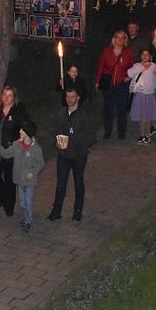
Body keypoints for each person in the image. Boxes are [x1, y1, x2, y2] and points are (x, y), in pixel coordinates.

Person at [48, 87, 96, 222]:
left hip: (78, 156)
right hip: (63, 155)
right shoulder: (61, 113)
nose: (69, 100)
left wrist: (77, 146)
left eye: (72, 97)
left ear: (78, 98)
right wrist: (57, 142)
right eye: (67, 97)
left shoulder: (84, 116)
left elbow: (91, 136)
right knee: (61, 183)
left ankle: (78, 210)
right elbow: (56, 131)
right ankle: (56, 210)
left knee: (78, 182)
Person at [0, 85, 28, 217]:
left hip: (11, 152)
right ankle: (2, 197)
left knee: (10, 180)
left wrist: (21, 138)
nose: (6, 98)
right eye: (4, 95)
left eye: (10, 95)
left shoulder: (18, 112)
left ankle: (9, 206)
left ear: (14, 97)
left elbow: (25, 127)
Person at [0, 119, 45, 231]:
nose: (20, 133)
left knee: (28, 200)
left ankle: (28, 221)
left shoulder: (36, 149)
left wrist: (33, 172)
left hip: (29, 181)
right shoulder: (16, 145)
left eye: (22, 131)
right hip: (19, 180)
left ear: (28, 134)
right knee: (22, 201)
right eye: (20, 131)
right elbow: (7, 154)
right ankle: (26, 216)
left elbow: (40, 163)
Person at [95, 30, 135, 140]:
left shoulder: (128, 52)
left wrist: (129, 77)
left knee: (121, 109)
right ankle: (108, 131)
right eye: (118, 37)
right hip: (108, 84)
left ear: (125, 40)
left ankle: (121, 132)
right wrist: (98, 81)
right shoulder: (107, 51)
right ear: (114, 38)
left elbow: (132, 67)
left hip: (122, 84)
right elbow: (101, 66)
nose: (120, 40)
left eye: (123, 38)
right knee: (108, 109)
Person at [127, 48, 156, 145]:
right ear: (140, 56)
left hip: (149, 95)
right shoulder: (137, 65)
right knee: (142, 116)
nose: (145, 56)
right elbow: (129, 73)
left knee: (148, 117)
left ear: (150, 56)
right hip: (139, 95)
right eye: (143, 54)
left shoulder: (153, 66)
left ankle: (147, 135)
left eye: (147, 54)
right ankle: (142, 135)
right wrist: (142, 66)